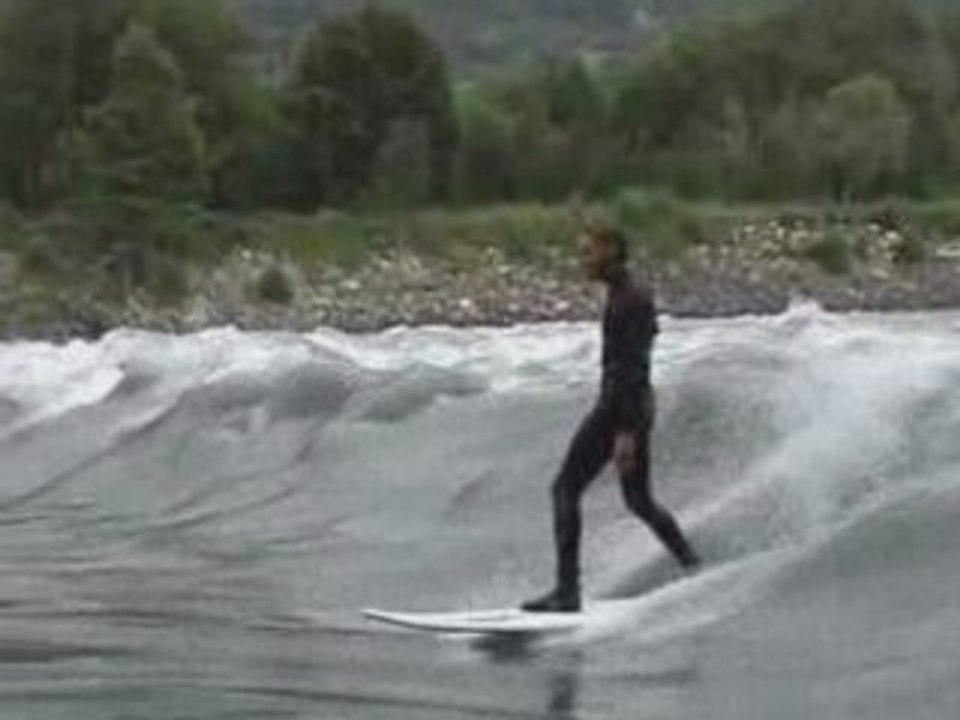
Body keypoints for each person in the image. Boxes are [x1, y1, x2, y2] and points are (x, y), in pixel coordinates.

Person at [522, 226, 700, 613]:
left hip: (622, 408)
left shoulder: (631, 299)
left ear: (611, 252)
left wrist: (626, 432)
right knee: (638, 500)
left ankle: (567, 593)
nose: (583, 261)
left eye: (588, 253)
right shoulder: (625, 294)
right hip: (629, 405)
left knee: (564, 489)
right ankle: (692, 565)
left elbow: (634, 367)